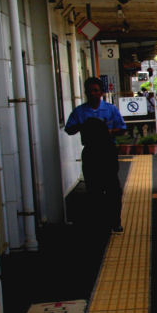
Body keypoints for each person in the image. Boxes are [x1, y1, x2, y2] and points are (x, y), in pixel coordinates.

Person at [65, 77, 127, 233]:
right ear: (85, 93)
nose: (93, 94)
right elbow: (69, 129)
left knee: (113, 188)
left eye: (96, 90)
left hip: (107, 151)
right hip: (91, 152)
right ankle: (99, 222)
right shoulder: (80, 111)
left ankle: (115, 221)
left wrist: (108, 131)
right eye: (90, 91)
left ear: (101, 92)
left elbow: (122, 128)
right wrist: (84, 127)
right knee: (93, 188)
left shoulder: (111, 110)